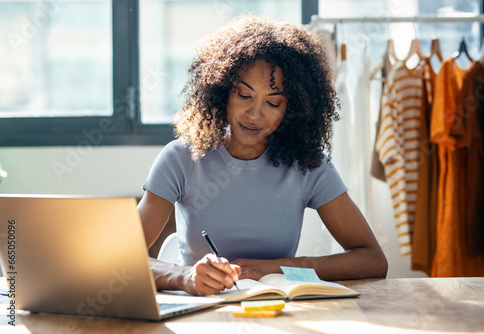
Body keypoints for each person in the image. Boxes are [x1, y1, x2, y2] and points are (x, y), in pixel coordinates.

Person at [138, 15, 388, 296]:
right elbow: (118, 261)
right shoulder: (181, 159)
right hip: (202, 312)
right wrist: (184, 276)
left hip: (280, 314)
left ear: (291, 109)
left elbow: (373, 260)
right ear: (222, 93)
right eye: (244, 95)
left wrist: (276, 268)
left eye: (273, 102)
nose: (255, 115)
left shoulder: (308, 165)